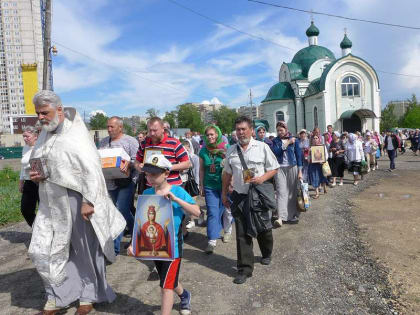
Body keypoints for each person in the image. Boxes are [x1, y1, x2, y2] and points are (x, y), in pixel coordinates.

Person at [29, 90, 126, 315]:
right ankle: (59, 295)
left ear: (59, 111)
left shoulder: (76, 134)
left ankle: (87, 296)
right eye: (38, 113)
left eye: (45, 112)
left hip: (77, 199)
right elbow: (44, 162)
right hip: (51, 201)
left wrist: (89, 200)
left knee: (84, 250)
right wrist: (38, 174)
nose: (41, 117)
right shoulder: (44, 134)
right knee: (44, 248)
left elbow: (91, 169)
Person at [128, 154, 200, 315]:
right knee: (169, 281)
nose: (150, 178)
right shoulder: (146, 192)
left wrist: (176, 199)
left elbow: (197, 212)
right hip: (154, 247)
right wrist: (134, 243)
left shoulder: (178, 191)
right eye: (147, 174)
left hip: (172, 249)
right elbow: (140, 221)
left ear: (166, 173)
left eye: (154, 174)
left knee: (165, 287)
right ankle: (185, 295)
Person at [222, 116, 279, 285]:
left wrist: (262, 178)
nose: (240, 132)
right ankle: (245, 269)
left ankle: (266, 252)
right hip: (240, 196)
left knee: (263, 229)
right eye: (238, 129)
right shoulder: (231, 150)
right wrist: (224, 193)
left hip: (258, 195)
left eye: (244, 129)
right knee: (242, 233)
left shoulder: (262, 147)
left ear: (251, 130)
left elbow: (274, 168)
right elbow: (227, 174)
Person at [99, 116, 139, 255]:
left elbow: (137, 160)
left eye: (112, 127)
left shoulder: (130, 141)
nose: (109, 129)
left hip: (127, 182)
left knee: (119, 211)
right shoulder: (104, 142)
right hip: (110, 182)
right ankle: (137, 234)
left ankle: (114, 248)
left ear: (120, 127)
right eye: (108, 127)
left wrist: (128, 164)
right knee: (124, 211)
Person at [199, 125, 230, 253]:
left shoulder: (226, 148)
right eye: (208, 135)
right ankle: (212, 240)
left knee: (225, 211)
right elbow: (201, 169)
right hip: (209, 185)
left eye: (212, 134)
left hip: (224, 185)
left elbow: (232, 165)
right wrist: (200, 184)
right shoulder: (203, 150)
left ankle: (228, 230)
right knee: (212, 211)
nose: (210, 137)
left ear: (217, 134)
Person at [135, 117, 191, 187]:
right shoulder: (144, 143)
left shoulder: (174, 142)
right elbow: (137, 161)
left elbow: (187, 164)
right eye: (150, 130)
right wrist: (140, 167)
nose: (152, 133)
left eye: (155, 130)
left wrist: (169, 167)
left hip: (172, 187)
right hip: (151, 188)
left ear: (162, 129)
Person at [271, 121, 303, 225]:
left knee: (292, 192)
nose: (280, 132)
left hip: (292, 167)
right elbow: (275, 152)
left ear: (286, 129)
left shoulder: (295, 140)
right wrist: (287, 143)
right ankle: (281, 217)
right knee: (281, 191)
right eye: (278, 130)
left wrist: (300, 171)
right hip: (279, 168)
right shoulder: (275, 141)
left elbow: (299, 156)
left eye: (281, 130)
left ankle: (293, 215)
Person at [19, 125, 39, 227]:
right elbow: (23, 167)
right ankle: (37, 229)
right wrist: (21, 182)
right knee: (25, 209)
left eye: (27, 136)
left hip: (41, 183)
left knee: (44, 211)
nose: (25, 138)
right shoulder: (25, 148)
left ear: (35, 136)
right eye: (23, 136)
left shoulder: (40, 147)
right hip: (29, 183)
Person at [308, 133, 329, 198]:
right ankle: (317, 193)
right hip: (313, 165)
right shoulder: (310, 147)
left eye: (316, 138)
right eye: (313, 138)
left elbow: (326, 155)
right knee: (315, 178)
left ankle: (324, 188)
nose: (315, 139)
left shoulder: (323, 146)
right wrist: (309, 153)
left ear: (319, 139)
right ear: (312, 140)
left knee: (323, 177)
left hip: (321, 164)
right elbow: (308, 158)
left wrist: (323, 160)